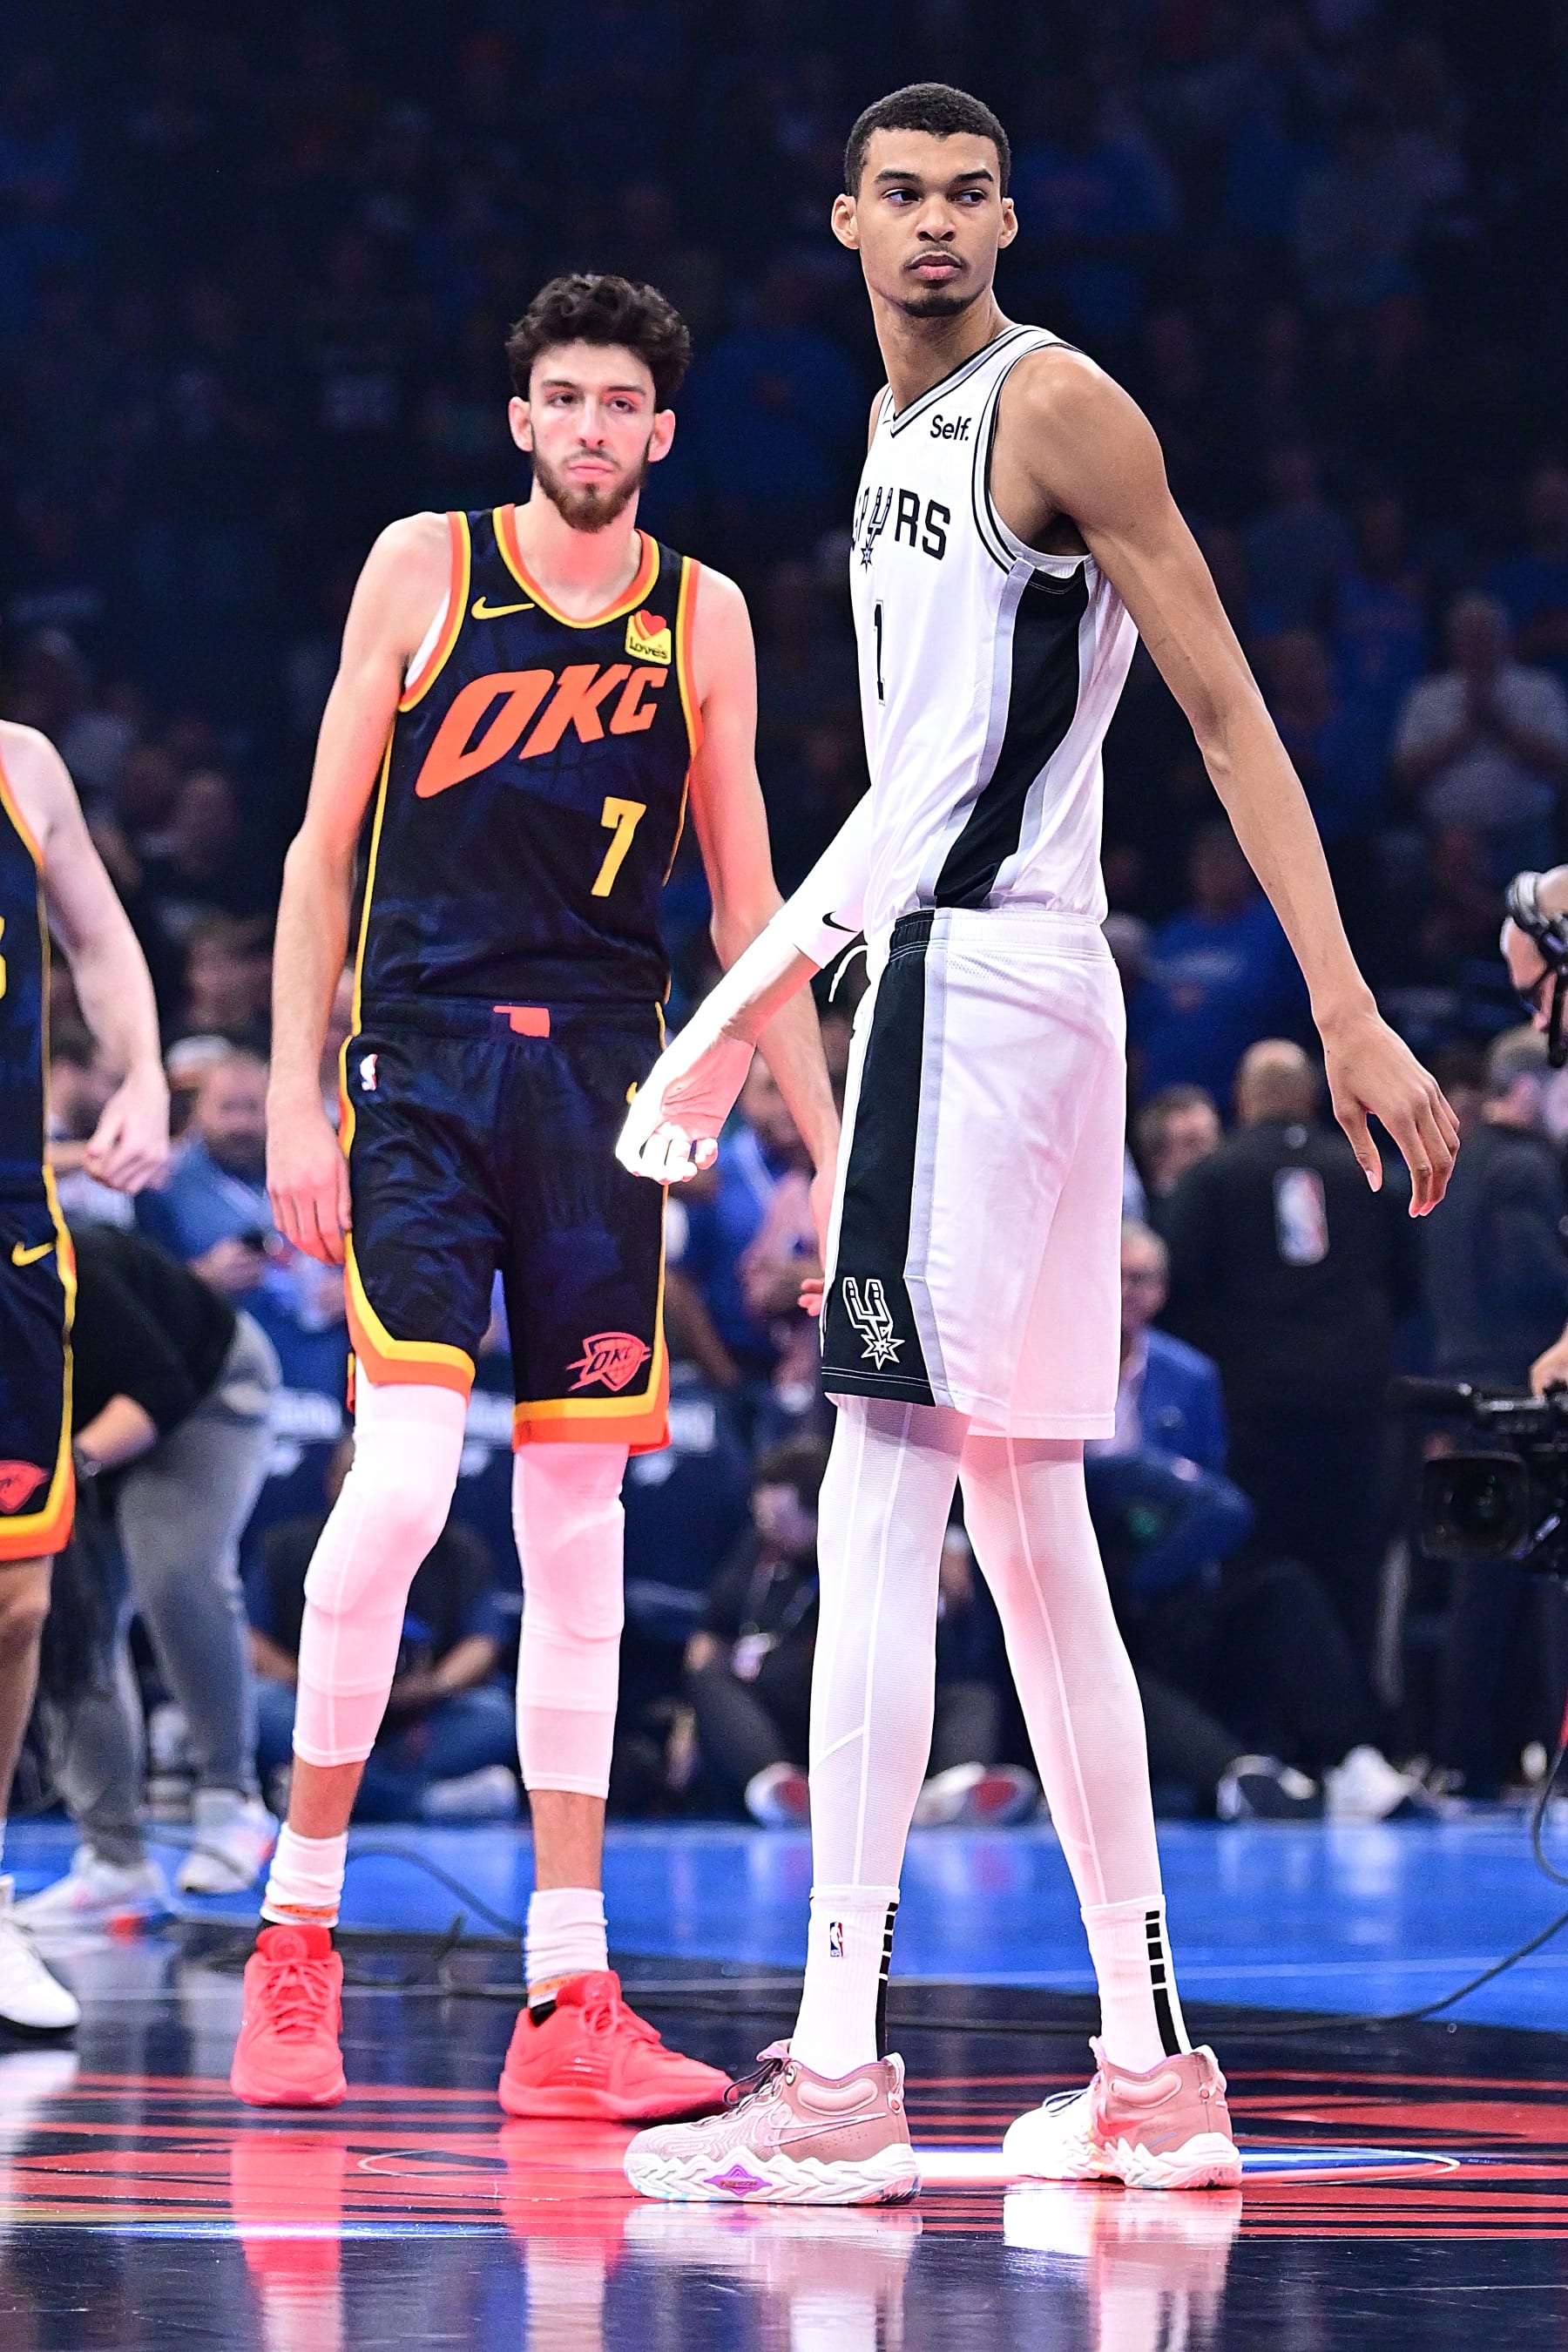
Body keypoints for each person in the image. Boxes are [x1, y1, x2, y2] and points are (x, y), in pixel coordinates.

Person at [615, 82, 1456, 2206]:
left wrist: (1344, 1003)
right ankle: (1154, 2065)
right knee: (1033, 1523)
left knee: (884, 1498)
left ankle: (833, 2071)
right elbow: (919, 785)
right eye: (897, 195)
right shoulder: (892, 444)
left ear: (1007, 218)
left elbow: (1229, 708)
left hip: (977, 987)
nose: (934, 226)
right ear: (843, 222)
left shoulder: (1051, 409)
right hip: (1028, 994)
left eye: (968, 194)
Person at [228, 274, 838, 2118]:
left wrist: (824, 1149)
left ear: (663, 433)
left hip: (603, 1080)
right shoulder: (423, 566)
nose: (587, 429)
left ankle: (569, 1999)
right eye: (559, 399)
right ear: (522, 421)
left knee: (585, 1532)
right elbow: (318, 850)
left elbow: (750, 908)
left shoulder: (703, 615)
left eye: (618, 405)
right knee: (406, 1481)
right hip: (415, 1068)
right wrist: (286, 1099)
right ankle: (296, 1931)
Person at [0, 720, 169, 2028]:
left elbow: (101, 939)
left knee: (15, 1598)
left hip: (9, 1214)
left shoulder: (24, 763)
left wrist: (145, 1077)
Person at [17, 1222, 279, 1927]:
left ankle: (234, 1804)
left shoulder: (67, 1263)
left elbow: (158, 1389)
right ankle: (114, 1860)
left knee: (176, 1573)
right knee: (49, 1615)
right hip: (76, 1431)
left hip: (201, 1390)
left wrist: (70, 1470)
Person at [1160, 1039, 1418, 1673]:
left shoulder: (1212, 1176)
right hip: (1355, 1409)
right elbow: (1410, 1284)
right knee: (1352, 1568)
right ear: (1311, 1098)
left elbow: (1174, 1286)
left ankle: (1272, 1733)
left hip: (1253, 1411)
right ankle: (1357, 1746)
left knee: (1262, 1568)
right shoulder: (1367, 1174)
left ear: (1244, 1100)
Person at [1420, 1026, 1568, 1796]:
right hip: (1529, 1399)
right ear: (1527, 1089)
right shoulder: (1523, 1167)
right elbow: (1532, 1277)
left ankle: (1469, 1758)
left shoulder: (1464, 1162)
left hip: (1468, 1392)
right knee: (1548, 1586)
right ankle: (1555, 1754)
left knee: (1483, 1588)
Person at [251, 1440, 516, 1824]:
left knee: (493, 1715)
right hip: (317, 1709)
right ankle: (423, 1804)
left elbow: (483, 1642)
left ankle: (324, 1797)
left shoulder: (457, 1550)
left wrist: (434, 1686)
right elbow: (251, 1641)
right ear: (331, 1483)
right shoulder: (284, 1547)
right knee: (257, 1704)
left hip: (416, 1721)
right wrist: (306, 1681)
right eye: (357, 1480)